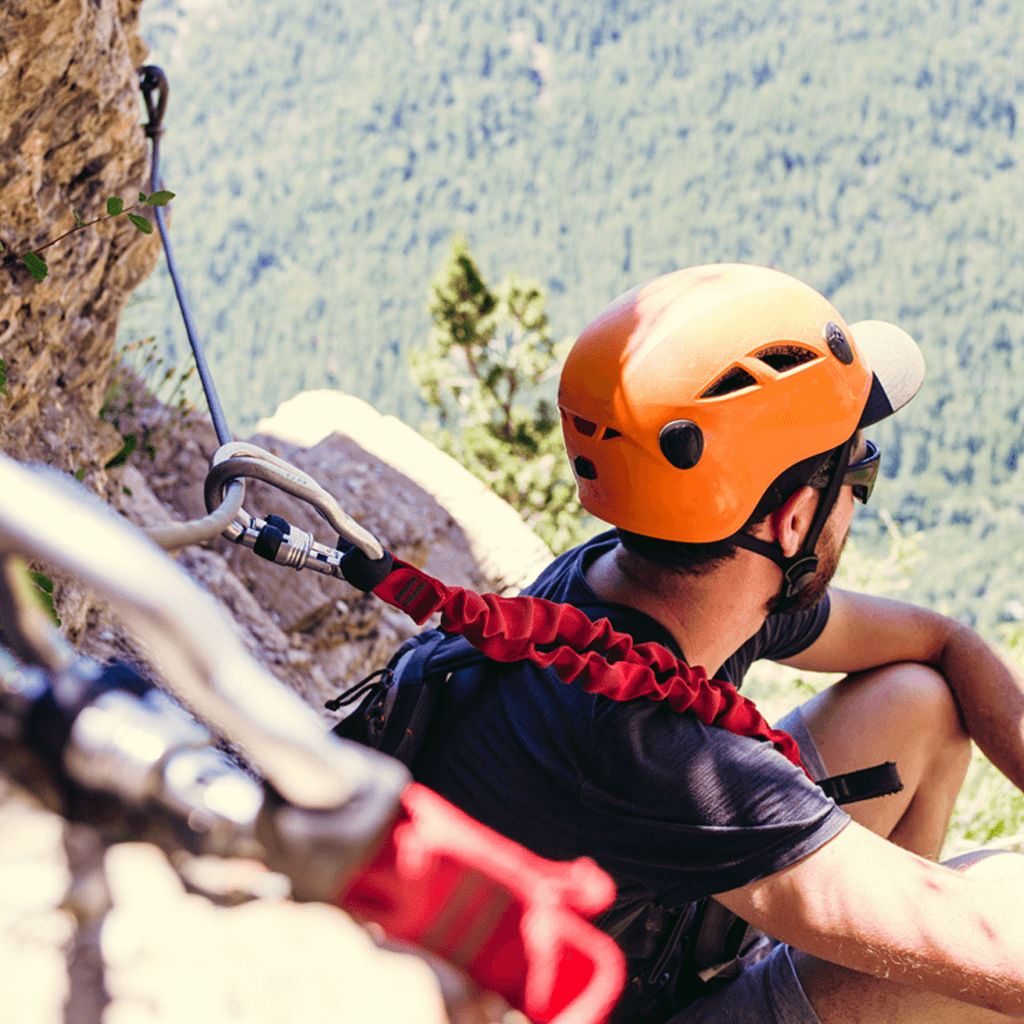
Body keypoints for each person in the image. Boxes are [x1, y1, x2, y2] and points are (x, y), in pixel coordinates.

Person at [410, 263, 1024, 1023]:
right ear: (794, 520)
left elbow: (942, 643)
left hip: (643, 944)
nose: (859, 494)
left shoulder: (646, 580)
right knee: (978, 949)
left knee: (916, 703)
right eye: (858, 472)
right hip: (613, 1002)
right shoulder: (653, 752)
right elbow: (1001, 949)